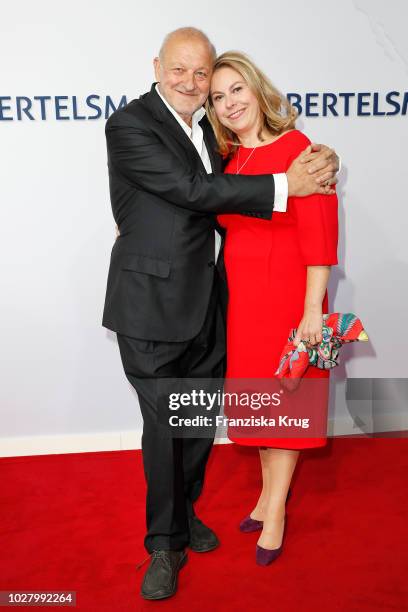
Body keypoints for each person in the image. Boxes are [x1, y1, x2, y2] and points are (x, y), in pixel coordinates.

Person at [102, 28, 340, 600]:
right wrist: (288, 183)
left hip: (212, 307)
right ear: (157, 66)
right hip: (153, 309)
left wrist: (318, 158)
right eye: (180, 70)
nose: (193, 83)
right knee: (166, 426)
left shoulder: (216, 137)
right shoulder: (131, 124)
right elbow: (191, 189)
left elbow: (265, 182)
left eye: (202, 75)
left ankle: (185, 515)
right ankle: (163, 543)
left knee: (197, 424)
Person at [206, 50, 338, 566]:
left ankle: (277, 509)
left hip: (290, 300)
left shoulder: (299, 148)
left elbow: (322, 238)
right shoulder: (229, 162)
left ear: (258, 89)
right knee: (260, 406)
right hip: (245, 306)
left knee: (284, 409)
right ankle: (264, 497)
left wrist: (311, 314)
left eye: (236, 89)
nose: (229, 103)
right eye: (218, 97)